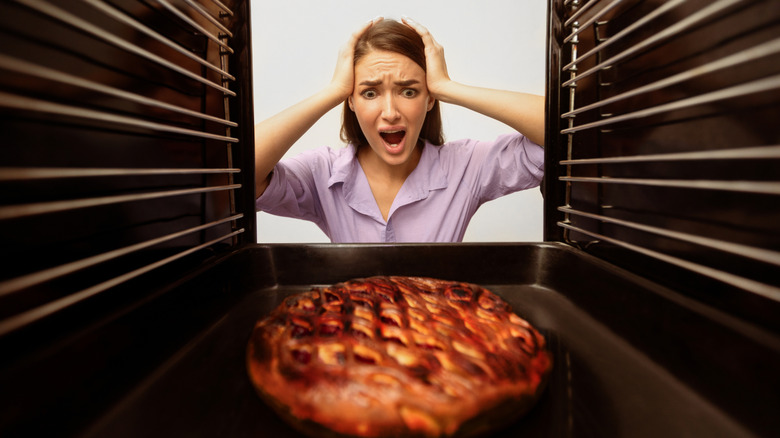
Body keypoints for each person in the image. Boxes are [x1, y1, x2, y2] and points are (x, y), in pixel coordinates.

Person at [255, 17, 545, 243]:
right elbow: (241, 174)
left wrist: (447, 87)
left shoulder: (466, 166)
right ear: (351, 101)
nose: (391, 112)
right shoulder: (323, 173)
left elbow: (559, 132)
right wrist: (334, 91)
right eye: (370, 93)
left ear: (429, 99)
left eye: (408, 91)